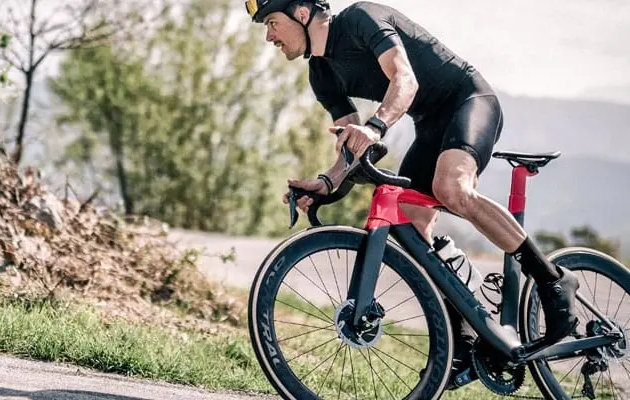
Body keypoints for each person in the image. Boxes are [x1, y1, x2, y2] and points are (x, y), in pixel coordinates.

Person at [245, 0, 580, 390]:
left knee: (451, 188)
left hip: (467, 101)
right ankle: (463, 337)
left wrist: (375, 126)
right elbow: (351, 148)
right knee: (412, 224)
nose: (268, 36)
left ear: (302, 14)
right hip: (430, 124)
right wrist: (328, 182)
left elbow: (405, 80)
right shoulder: (321, 73)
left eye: (272, 22)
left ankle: (553, 280)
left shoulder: (360, 19)